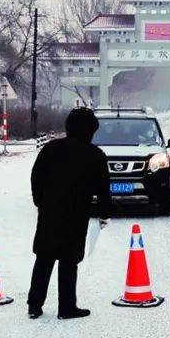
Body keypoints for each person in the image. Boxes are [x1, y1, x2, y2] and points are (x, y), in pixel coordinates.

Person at [28, 107, 111, 319]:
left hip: (49, 211)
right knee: (69, 260)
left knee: (44, 258)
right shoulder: (95, 155)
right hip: (76, 214)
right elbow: (103, 189)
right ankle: (67, 307)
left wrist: (40, 201)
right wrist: (103, 213)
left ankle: (34, 305)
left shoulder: (51, 149)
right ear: (91, 130)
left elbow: (36, 176)